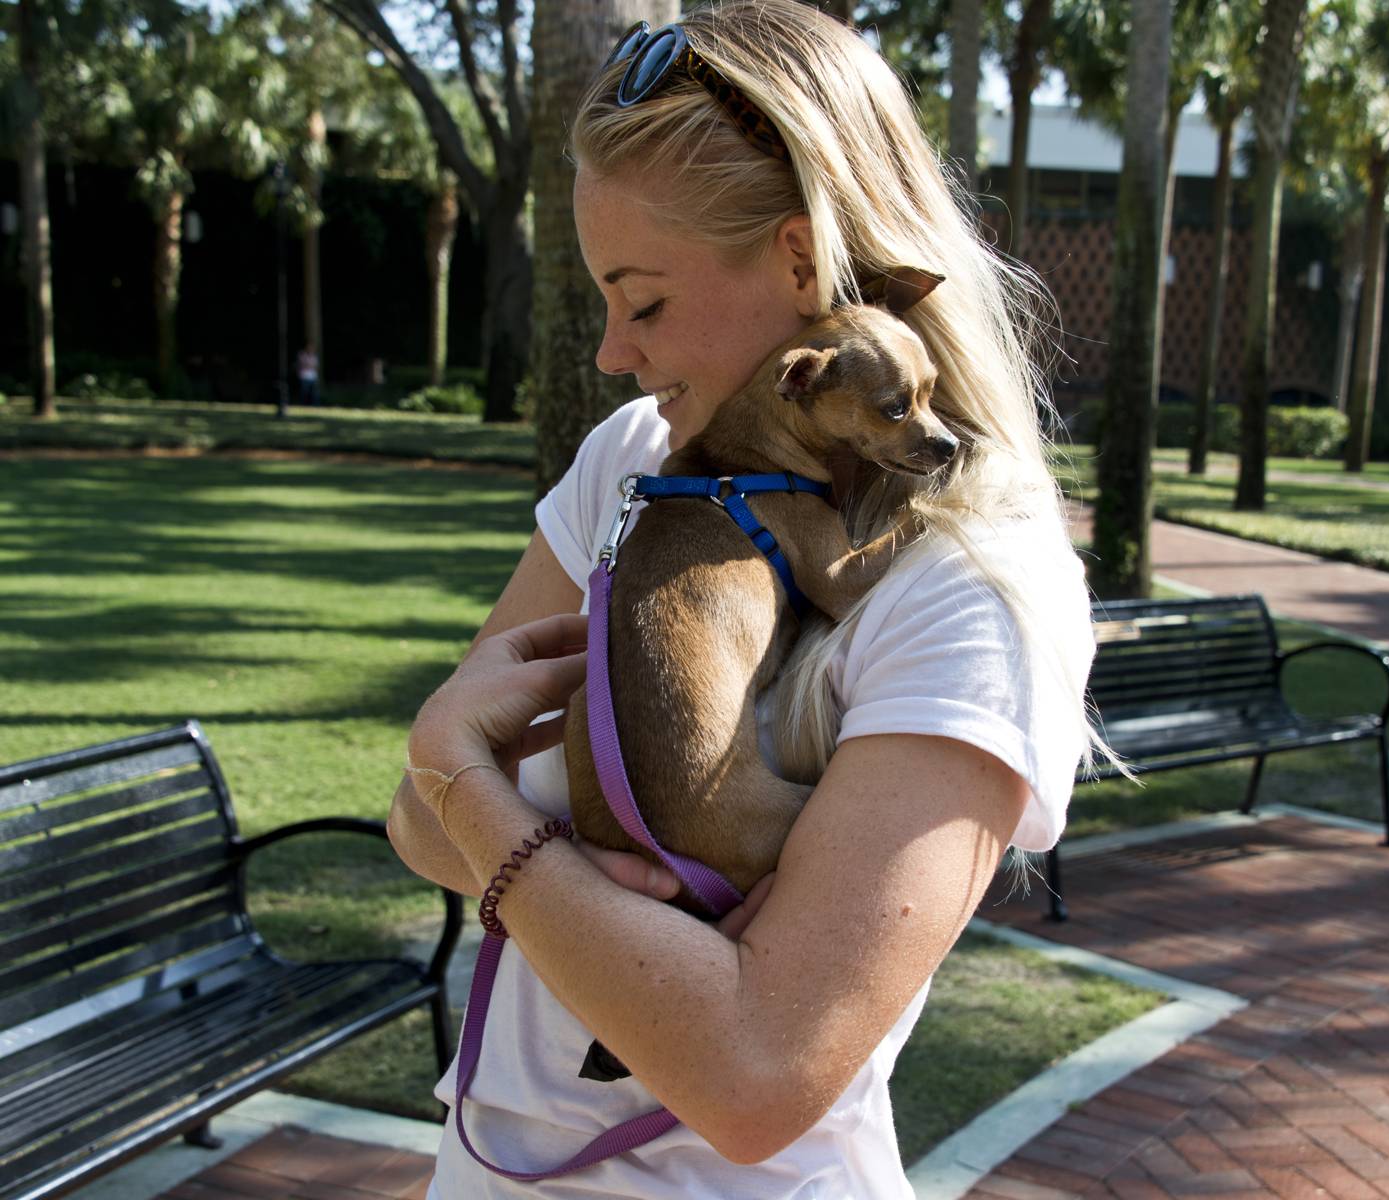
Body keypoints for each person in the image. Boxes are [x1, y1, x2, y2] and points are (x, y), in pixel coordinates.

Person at [390, 2, 1097, 1195]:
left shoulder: (974, 585)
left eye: (646, 300)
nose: (613, 350)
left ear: (800, 257)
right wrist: (475, 813)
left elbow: (756, 1073)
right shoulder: (633, 459)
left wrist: (480, 799)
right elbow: (411, 828)